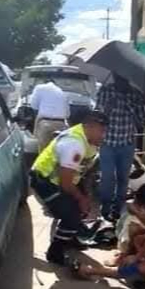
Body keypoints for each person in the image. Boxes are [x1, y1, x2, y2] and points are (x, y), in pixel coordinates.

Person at [31, 110, 109, 265]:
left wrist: (85, 197)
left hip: (65, 179)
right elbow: (65, 183)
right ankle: (55, 252)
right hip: (44, 181)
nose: (104, 135)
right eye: (102, 131)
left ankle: (71, 237)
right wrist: (81, 199)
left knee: (81, 209)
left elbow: (81, 171)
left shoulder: (89, 140)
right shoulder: (74, 144)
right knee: (71, 214)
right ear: (89, 126)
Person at [96, 74, 145, 221]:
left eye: (123, 78)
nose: (120, 80)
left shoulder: (135, 94)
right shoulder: (105, 91)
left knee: (123, 179)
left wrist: (130, 106)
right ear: (113, 76)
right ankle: (105, 208)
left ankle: (118, 209)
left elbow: (141, 121)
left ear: (127, 78)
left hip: (126, 144)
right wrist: (107, 108)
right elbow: (97, 116)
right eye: (117, 77)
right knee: (107, 178)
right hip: (108, 143)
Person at [31, 80, 70, 151]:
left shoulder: (39, 87)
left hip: (45, 123)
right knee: (59, 151)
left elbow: (34, 105)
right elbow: (67, 114)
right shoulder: (62, 93)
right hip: (61, 124)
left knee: (44, 152)